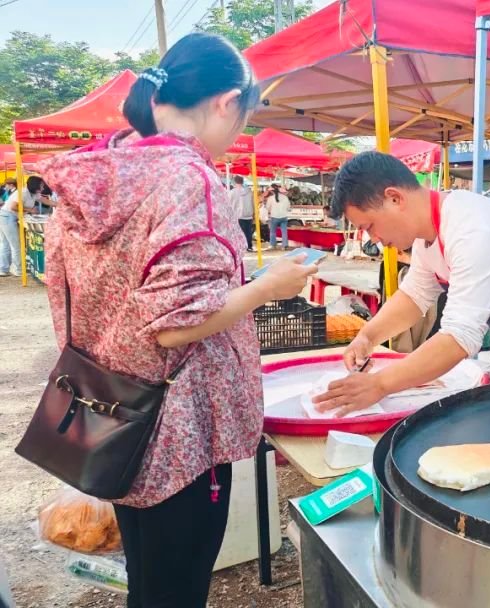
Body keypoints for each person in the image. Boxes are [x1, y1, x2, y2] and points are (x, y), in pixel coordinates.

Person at [38, 33, 316, 607]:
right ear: (226, 101)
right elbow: (173, 323)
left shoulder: (103, 171)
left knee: (152, 583)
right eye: (243, 116)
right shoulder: (188, 177)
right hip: (179, 430)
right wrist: (266, 286)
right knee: (178, 589)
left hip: (112, 416)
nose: (237, 134)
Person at [312, 152, 490, 416]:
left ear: (394, 198)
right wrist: (367, 336)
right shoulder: (428, 238)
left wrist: (379, 385)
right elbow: (414, 297)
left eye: (369, 227)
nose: (372, 239)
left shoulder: (471, 226)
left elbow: (459, 337)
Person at [228, 175, 255, 251]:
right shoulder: (249, 192)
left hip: (237, 215)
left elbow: (228, 204)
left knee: (240, 232)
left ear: (235, 182)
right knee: (248, 231)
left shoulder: (232, 192)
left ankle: (241, 246)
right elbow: (253, 203)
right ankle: (249, 246)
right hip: (248, 214)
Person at [264, 183, 291, 249]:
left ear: (272, 191)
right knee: (284, 231)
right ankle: (285, 245)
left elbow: (267, 208)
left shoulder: (270, 198)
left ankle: (273, 245)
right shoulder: (285, 197)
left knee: (273, 231)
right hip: (284, 217)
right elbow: (288, 208)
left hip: (274, 217)